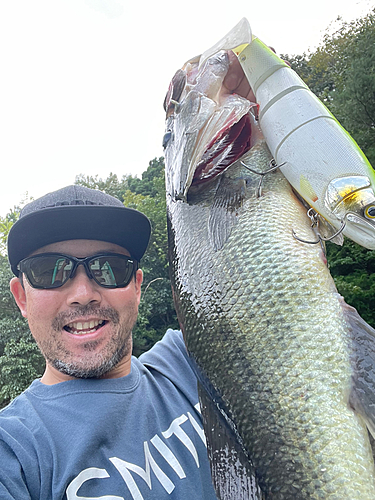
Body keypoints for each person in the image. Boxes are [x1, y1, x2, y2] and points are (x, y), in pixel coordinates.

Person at [0, 184, 218, 499]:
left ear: (137, 287)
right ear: (21, 298)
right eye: (50, 271)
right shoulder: (12, 451)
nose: (83, 295)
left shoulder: (192, 360)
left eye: (110, 268)